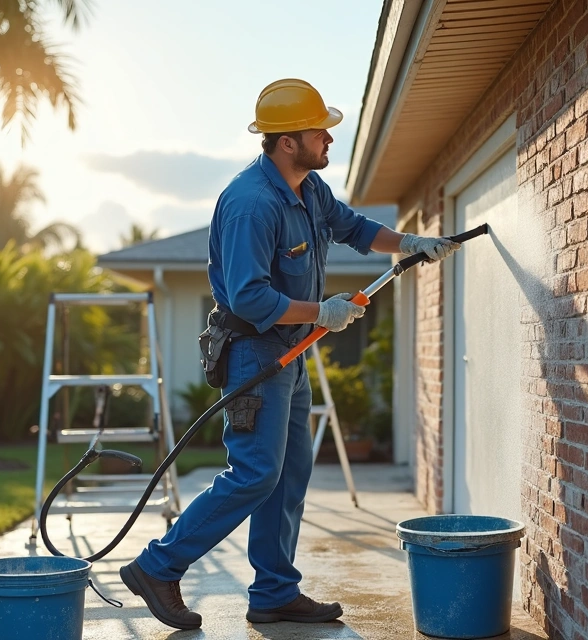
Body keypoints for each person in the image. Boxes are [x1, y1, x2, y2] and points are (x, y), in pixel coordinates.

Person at [120, 78, 461, 630]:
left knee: (291, 470)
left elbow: (353, 227)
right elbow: (250, 297)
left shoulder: (308, 188)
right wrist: (321, 311)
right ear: (286, 142)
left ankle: (274, 592)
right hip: (253, 354)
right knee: (255, 473)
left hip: (290, 353)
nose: (329, 138)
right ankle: (157, 567)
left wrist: (409, 243)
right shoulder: (251, 205)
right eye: (319, 131)